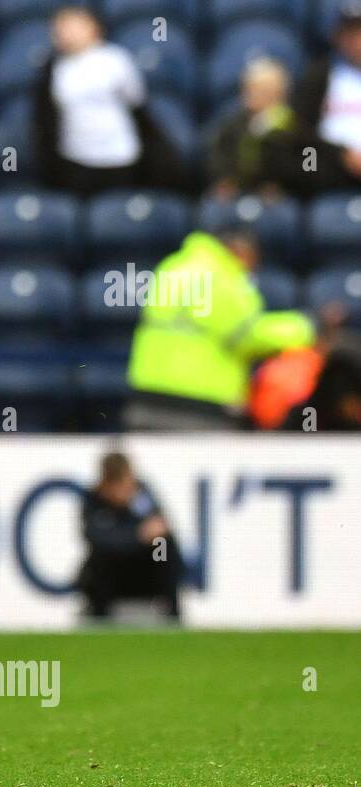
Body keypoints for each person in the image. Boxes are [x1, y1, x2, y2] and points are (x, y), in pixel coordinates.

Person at [124, 227, 316, 430]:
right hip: (200, 406)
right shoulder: (222, 275)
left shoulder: (171, 266)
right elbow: (247, 335)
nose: (251, 271)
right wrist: (307, 327)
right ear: (241, 251)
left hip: (145, 399)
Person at [33, 5, 180, 194]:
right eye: (59, 29)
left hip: (119, 154)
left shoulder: (115, 59)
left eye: (72, 26)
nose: (65, 34)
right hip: (75, 156)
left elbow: (135, 100)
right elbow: (47, 114)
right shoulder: (53, 68)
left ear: (92, 27)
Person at [77, 451, 183, 622]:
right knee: (100, 560)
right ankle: (99, 621)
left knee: (163, 545)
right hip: (112, 574)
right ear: (106, 484)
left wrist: (152, 539)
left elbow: (158, 527)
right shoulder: (94, 502)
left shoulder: (141, 494)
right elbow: (98, 540)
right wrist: (138, 536)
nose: (126, 491)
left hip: (145, 571)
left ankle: (173, 616)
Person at [293, 1, 361, 194]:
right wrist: (341, 154)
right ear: (338, 37)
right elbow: (302, 127)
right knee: (307, 160)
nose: (358, 42)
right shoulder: (320, 75)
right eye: (352, 33)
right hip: (331, 168)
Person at [207, 57, 298, 200]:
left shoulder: (292, 126)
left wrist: (277, 183)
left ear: (281, 94)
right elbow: (218, 154)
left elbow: (301, 166)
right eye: (253, 89)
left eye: (265, 91)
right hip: (237, 191)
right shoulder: (232, 122)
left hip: (279, 195)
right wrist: (224, 179)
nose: (257, 95)